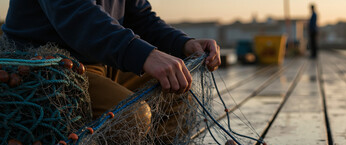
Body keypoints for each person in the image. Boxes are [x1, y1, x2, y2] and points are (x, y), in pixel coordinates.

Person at [1, 0, 221, 119]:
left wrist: (183, 43)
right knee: (132, 119)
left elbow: (141, 17)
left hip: (102, 60)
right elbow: (78, 16)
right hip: (48, 69)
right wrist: (146, 55)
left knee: (179, 98)